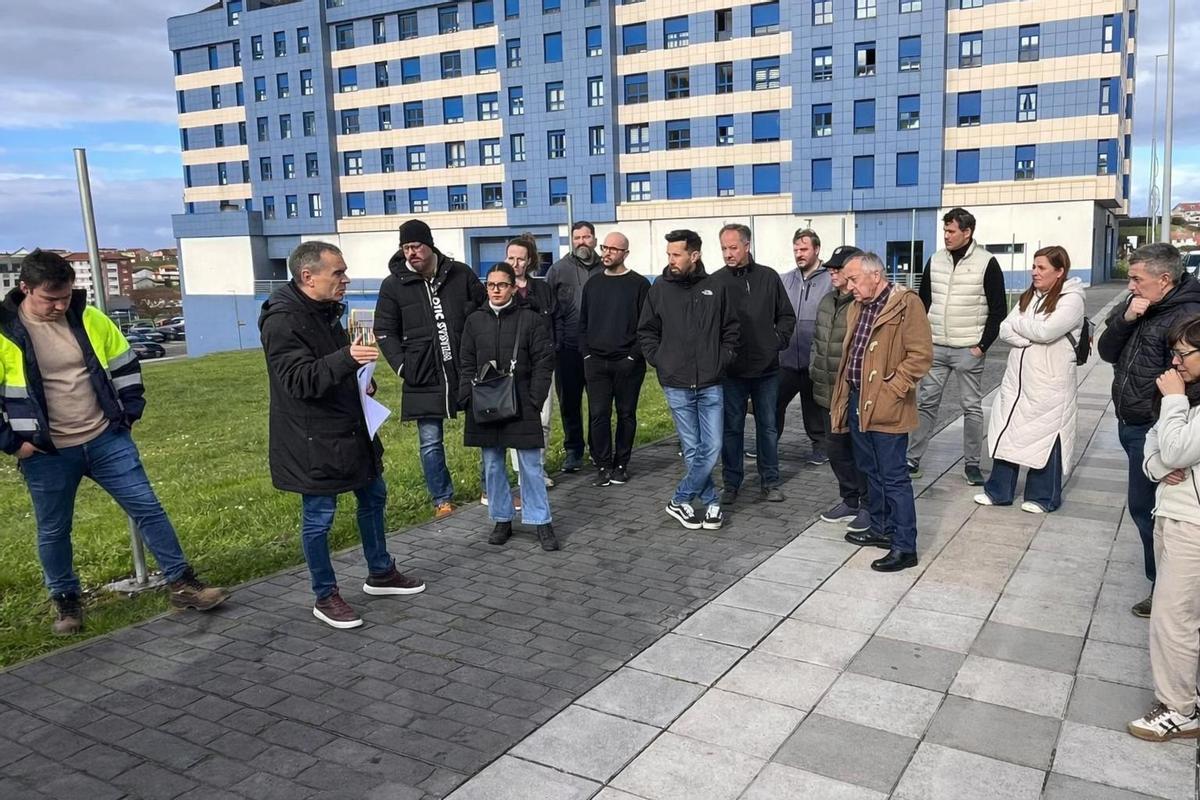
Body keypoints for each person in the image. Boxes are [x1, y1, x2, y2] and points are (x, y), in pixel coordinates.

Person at [2, 250, 226, 635]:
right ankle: (66, 602)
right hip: (47, 453)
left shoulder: (89, 317)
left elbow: (125, 364)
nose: (60, 306)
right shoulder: (5, 332)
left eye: (65, 296)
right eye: (50, 298)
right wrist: (14, 444)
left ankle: (183, 584)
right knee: (54, 529)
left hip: (106, 439)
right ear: (25, 288)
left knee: (148, 508)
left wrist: (129, 414)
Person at [261, 242, 425, 629]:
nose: (346, 280)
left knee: (374, 495)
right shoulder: (282, 320)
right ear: (308, 277)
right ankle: (325, 595)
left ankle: (381, 572)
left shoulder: (326, 310)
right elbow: (298, 380)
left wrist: (362, 380)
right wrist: (348, 358)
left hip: (351, 429)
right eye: (338, 273)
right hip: (312, 440)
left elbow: (334, 367)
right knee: (319, 517)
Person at [1098, 243, 1200, 618]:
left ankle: (1166, 589)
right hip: (1132, 421)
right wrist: (1126, 318)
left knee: (1154, 512)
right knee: (1145, 509)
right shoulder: (1138, 304)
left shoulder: (1188, 315)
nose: (1130, 285)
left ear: (1164, 279)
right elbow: (1106, 351)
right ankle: (1163, 583)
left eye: (1136, 278)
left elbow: (1189, 385)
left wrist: (1169, 447)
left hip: (1157, 428)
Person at [375, 219, 485, 519]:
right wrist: (402, 367)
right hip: (423, 374)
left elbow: (483, 312)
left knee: (486, 431)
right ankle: (442, 499)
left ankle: (491, 488)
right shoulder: (393, 285)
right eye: (405, 248)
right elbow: (384, 330)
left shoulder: (460, 273)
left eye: (416, 246)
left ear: (430, 245)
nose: (411, 253)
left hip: (467, 368)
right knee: (430, 441)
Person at [830, 252, 932, 572]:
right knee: (870, 469)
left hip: (888, 405)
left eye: (853, 279)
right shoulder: (858, 306)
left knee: (894, 477)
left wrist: (892, 390)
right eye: (847, 280)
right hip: (858, 401)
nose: (849, 287)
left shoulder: (906, 304)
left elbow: (920, 355)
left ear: (875, 276)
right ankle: (881, 528)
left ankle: (905, 546)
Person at [1127, 315, 1200, 742]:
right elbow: (1155, 447)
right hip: (1173, 512)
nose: (1175, 362)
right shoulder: (1189, 395)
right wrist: (1157, 468)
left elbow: (1174, 448)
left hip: (1192, 522)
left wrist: (1173, 400)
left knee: (1174, 619)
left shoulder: (1181, 397)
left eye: (1183, 354)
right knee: (1179, 616)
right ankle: (1186, 695)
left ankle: (1178, 708)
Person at [638, 229, 739, 531]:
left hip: (711, 381)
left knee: (713, 445)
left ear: (694, 255)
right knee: (693, 448)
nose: (671, 260)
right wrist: (660, 359)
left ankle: (679, 499)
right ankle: (712, 504)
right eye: (669, 254)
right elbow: (647, 330)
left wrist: (723, 358)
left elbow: (731, 329)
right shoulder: (659, 288)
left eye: (677, 254)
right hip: (676, 382)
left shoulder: (716, 286)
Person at [974, 246, 1086, 513]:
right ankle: (999, 491)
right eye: (1034, 266)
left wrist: (1021, 325)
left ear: (1059, 271)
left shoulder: (1071, 300)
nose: (1034, 272)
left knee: (1047, 435)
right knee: (1008, 430)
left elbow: (1047, 331)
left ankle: (1043, 497)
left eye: (1041, 267)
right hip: (1018, 381)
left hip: (1050, 382)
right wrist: (1026, 333)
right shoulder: (1030, 296)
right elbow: (1004, 328)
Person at [459, 263, 558, 550]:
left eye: (502, 285)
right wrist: (467, 397)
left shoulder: (531, 319)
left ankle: (540, 520)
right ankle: (502, 518)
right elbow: (466, 362)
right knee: (492, 464)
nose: (496, 290)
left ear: (513, 288)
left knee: (530, 465)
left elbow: (544, 362)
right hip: (484, 403)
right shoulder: (474, 320)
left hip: (522, 401)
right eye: (491, 285)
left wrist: (535, 399)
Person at [906, 207, 1007, 485]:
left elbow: (999, 309)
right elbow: (923, 303)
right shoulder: (936, 260)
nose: (946, 235)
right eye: (945, 230)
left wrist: (981, 346)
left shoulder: (987, 263)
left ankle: (972, 464)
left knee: (971, 407)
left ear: (967, 232)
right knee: (926, 404)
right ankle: (912, 459)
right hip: (935, 347)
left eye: (951, 231)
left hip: (968, 349)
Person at [712, 224, 795, 505]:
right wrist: (721, 356)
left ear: (747, 246)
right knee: (731, 429)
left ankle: (770, 481)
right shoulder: (716, 282)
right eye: (724, 248)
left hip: (766, 370)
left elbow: (786, 316)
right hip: (731, 372)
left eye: (733, 247)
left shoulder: (768, 277)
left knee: (768, 427)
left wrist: (777, 340)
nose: (728, 253)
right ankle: (731, 483)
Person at [478, 234, 556, 508]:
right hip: (506, 372)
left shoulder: (541, 289)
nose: (515, 263)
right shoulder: (496, 291)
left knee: (542, 419)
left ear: (529, 261)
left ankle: (536, 470)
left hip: (538, 364)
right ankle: (519, 477)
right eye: (511, 257)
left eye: (520, 258)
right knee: (510, 421)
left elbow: (553, 323)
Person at [579, 231, 650, 487]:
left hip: (628, 363)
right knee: (598, 414)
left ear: (625, 253)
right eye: (605, 247)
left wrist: (632, 356)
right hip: (596, 362)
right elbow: (583, 323)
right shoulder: (593, 284)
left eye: (613, 249)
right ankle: (602, 465)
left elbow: (647, 326)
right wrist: (587, 354)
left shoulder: (640, 285)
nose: (607, 253)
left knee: (626, 414)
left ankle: (621, 464)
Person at [808, 245, 871, 533]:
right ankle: (850, 499)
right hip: (825, 391)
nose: (832, 273)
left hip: (850, 394)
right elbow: (817, 341)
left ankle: (869, 505)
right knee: (835, 451)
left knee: (860, 453)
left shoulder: (862, 304)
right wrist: (813, 369)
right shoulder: (826, 301)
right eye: (830, 268)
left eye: (838, 268)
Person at [546, 221, 602, 473]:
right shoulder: (558, 270)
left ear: (594, 240)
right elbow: (549, 309)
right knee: (569, 402)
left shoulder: (606, 268)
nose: (582, 242)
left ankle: (599, 449)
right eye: (577, 237)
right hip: (567, 347)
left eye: (586, 237)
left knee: (599, 402)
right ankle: (574, 451)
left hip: (598, 348)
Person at [778, 228, 832, 464]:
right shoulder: (785, 280)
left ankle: (821, 448)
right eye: (796, 249)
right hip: (786, 358)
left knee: (815, 408)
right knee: (773, 404)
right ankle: (767, 444)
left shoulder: (830, 280)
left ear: (817, 249)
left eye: (804, 249)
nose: (799, 254)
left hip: (815, 359)